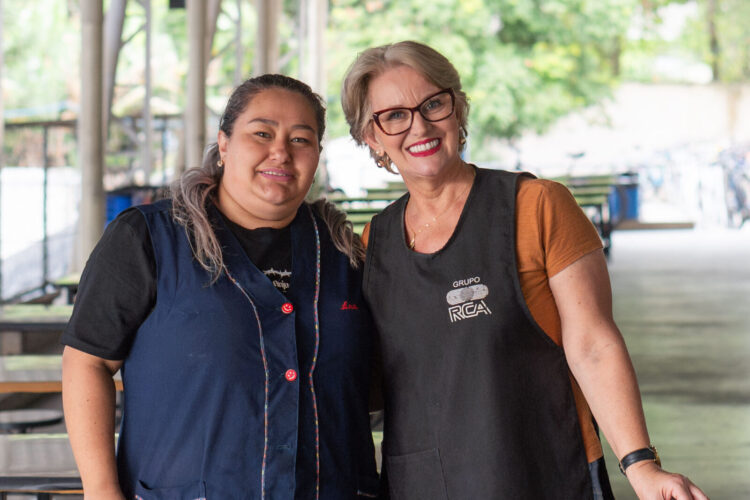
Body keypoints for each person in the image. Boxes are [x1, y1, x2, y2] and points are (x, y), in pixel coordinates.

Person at [341, 41, 709, 500]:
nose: (419, 125)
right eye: (394, 115)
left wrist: (641, 465)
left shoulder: (537, 207)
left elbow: (593, 345)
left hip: (543, 471)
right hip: (422, 483)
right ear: (371, 137)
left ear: (459, 109)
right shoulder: (373, 245)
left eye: (433, 103)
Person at [62, 74, 380, 500]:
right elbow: (87, 362)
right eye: (262, 133)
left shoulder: (344, 252)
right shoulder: (150, 238)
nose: (280, 151)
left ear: (317, 155)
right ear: (225, 144)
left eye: (301, 139)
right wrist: (100, 490)